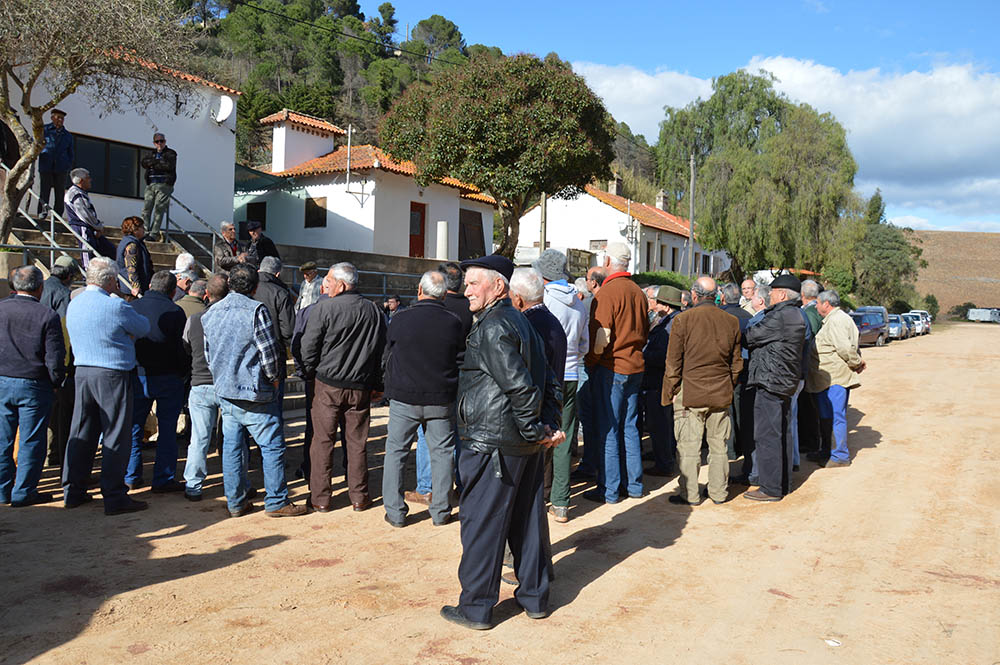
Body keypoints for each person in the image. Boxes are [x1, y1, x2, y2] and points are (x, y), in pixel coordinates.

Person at [440, 255, 563, 631]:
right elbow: (548, 383)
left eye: (474, 283)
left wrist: (534, 429)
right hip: (516, 443)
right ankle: (535, 598)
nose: (466, 290)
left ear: (497, 286)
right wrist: (544, 427)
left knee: (481, 525)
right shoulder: (522, 322)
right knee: (528, 525)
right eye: (466, 283)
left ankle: (476, 607)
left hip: (495, 443)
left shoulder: (495, 325)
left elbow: (522, 388)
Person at [201, 263, 306, 518]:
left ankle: (236, 502)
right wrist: (274, 379)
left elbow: (208, 354)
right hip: (254, 390)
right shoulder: (256, 310)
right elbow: (268, 352)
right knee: (271, 447)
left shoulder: (211, 312)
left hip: (226, 389)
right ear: (256, 287)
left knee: (233, 448)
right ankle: (276, 500)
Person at [63, 257, 150, 515]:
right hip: (112, 372)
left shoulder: (75, 304)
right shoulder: (116, 306)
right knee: (115, 434)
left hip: (82, 372)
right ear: (111, 280)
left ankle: (73, 490)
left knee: (82, 432)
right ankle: (114, 495)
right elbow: (143, 327)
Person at [301, 262, 386, 512]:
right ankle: (359, 497)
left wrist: (309, 372)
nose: (325, 284)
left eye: (329, 280)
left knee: (322, 442)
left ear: (341, 284)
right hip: (359, 385)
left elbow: (309, 346)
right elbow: (382, 352)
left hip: (328, 384)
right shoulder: (374, 310)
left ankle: (320, 498)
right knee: (357, 442)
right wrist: (377, 383)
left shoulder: (325, 308)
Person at [381, 270, 464, 527]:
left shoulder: (401, 318)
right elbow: (460, 359)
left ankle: (395, 513)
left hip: (404, 397)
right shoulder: (453, 321)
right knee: (442, 454)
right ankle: (440, 512)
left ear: (419, 289)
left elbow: (388, 353)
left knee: (396, 452)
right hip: (440, 397)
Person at [662, 277, 742, 505]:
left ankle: (690, 494)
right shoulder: (731, 321)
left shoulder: (683, 320)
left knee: (689, 446)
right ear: (717, 295)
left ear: (694, 296)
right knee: (719, 447)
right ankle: (718, 492)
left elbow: (673, 362)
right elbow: (736, 363)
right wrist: (729, 383)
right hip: (720, 391)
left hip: (691, 392)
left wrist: (672, 390)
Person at [582, 241, 649, 505]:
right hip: (635, 365)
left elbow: (602, 336)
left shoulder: (608, 293)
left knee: (609, 428)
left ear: (608, 262)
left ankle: (609, 490)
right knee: (630, 427)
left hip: (612, 368)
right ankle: (634, 485)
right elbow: (645, 329)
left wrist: (591, 360)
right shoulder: (638, 292)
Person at [0, 266, 66, 506]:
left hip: (3, 381)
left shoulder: (1, 308)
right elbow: (55, 357)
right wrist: (57, 382)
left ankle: (2, 490)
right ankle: (24, 491)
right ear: (40, 288)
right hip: (34, 385)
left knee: (3, 439)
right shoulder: (47, 315)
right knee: (31, 441)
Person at [410, 262, 473, 505]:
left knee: (428, 435)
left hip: (432, 379)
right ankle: (459, 484)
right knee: (460, 434)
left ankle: (427, 486)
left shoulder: (434, 307)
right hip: (463, 378)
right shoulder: (471, 306)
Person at [742, 274, 806, 501]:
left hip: (771, 381)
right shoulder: (796, 313)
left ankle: (770, 488)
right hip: (784, 381)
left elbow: (750, 337)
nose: (769, 294)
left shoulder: (781, 316)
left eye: (772, 291)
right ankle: (783, 483)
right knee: (782, 434)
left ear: (782, 294)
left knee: (767, 435)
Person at [510, 268, 568, 517]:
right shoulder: (551, 320)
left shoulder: (527, 325)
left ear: (518, 299)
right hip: (545, 407)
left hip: (534, 412)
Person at [125, 270, 189, 492]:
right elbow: (181, 348)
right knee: (168, 428)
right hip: (169, 376)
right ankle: (162, 478)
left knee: (134, 426)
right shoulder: (175, 311)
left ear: (150, 285)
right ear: (173, 292)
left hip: (139, 373)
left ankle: (131, 475)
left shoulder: (133, 307)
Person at [181, 274, 243, 501]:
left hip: (199, 384)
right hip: (227, 384)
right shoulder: (235, 319)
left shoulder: (194, 319)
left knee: (199, 438)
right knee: (233, 437)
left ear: (207, 295)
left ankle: (193, 484)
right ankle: (237, 483)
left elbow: (186, 346)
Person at [806, 289, 866, 468]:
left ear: (826, 304)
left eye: (817, 303)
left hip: (835, 378)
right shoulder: (834, 319)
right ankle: (827, 451)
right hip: (828, 379)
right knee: (826, 417)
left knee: (834, 416)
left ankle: (839, 455)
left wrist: (856, 363)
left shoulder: (837, 320)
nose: (815, 306)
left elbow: (846, 348)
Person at [642, 285, 683, 477]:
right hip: (660, 379)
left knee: (660, 423)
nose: (654, 304)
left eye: (657, 301)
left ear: (666, 305)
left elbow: (664, 355)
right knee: (662, 423)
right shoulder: (671, 321)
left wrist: (643, 354)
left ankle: (664, 462)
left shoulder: (670, 325)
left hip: (659, 379)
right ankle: (664, 457)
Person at [254, 256, 295, 421]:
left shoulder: (246, 288)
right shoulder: (281, 292)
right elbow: (289, 330)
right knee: (273, 408)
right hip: (275, 356)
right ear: (277, 274)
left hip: (247, 354)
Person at [573, 266, 605, 477]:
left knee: (587, 416)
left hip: (586, 363)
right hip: (593, 364)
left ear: (593, 282)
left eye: (587, 278)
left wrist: (590, 360)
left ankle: (590, 463)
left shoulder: (589, 303)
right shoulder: (589, 302)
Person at [719, 282, 752, 460]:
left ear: (723, 297)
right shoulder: (748, 316)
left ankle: (730, 450)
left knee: (727, 411)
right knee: (741, 411)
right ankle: (741, 447)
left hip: (726, 370)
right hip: (744, 369)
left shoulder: (721, 316)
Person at [797, 279, 823, 453]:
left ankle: (811, 442)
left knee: (808, 406)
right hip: (812, 364)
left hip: (809, 364)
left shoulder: (810, 313)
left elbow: (809, 339)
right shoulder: (815, 310)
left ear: (802, 294)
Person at [63, 168, 107, 268]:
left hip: (88, 228)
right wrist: (98, 226)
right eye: (88, 178)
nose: (90, 180)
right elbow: (85, 214)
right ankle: (87, 277)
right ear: (81, 180)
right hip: (82, 227)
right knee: (87, 253)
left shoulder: (80, 193)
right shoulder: (75, 193)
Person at [37, 109, 73, 217]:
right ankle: (42, 212)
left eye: (62, 118)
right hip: (46, 165)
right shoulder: (44, 130)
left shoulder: (67, 135)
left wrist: (67, 165)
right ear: (52, 118)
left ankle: (58, 214)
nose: (60, 120)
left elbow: (70, 153)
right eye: (58, 118)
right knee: (44, 190)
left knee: (60, 192)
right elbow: (38, 144)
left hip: (61, 167)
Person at [140, 132, 177, 240]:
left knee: (159, 209)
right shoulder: (150, 153)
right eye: (157, 141)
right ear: (154, 143)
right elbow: (143, 163)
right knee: (146, 209)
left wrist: (153, 163)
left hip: (164, 184)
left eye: (162, 141)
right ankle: (145, 231)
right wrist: (157, 162)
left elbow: (168, 166)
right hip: (151, 184)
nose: (159, 143)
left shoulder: (171, 153)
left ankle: (153, 234)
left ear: (165, 141)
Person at [116, 216, 154, 296]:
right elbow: (131, 267)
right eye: (142, 227)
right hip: (131, 291)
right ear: (135, 229)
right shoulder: (132, 245)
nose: (144, 230)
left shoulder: (135, 242)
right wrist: (135, 286)